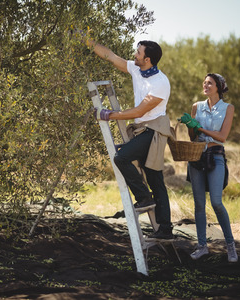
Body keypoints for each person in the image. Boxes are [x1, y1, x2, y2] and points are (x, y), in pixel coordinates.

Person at [83, 36, 173, 239]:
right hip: (142, 129)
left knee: (122, 158)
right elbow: (111, 56)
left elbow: (139, 111)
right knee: (155, 179)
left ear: (147, 59)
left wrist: (110, 115)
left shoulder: (160, 83)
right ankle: (165, 230)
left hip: (154, 131)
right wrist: (88, 41)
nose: (135, 55)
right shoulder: (136, 69)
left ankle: (144, 198)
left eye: (138, 52)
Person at [181, 73, 238, 262]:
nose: (205, 85)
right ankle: (202, 246)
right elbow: (192, 137)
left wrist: (200, 128)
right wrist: (191, 125)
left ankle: (231, 246)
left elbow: (222, 137)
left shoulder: (228, 108)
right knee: (199, 204)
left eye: (210, 83)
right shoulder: (197, 106)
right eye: (204, 82)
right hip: (196, 157)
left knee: (216, 202)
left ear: (219, 87)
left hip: (216, 157)